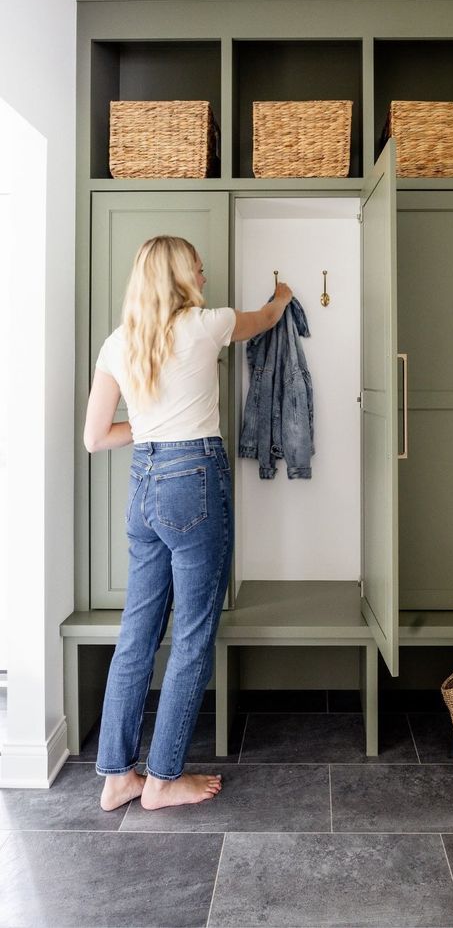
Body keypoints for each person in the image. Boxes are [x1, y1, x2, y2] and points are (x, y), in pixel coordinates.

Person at [84, 234, 292, 811]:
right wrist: (282, 293)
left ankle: (115, 777)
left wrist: (150, 430)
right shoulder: (207, 324)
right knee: (195, 631)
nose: (203, 279)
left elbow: (96, 437)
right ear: (178, 277)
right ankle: (162, 780)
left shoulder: (118, 343)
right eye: (197, 271)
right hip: (194, 479)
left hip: (144, 485)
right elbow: (268, 317)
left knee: (138, 633)